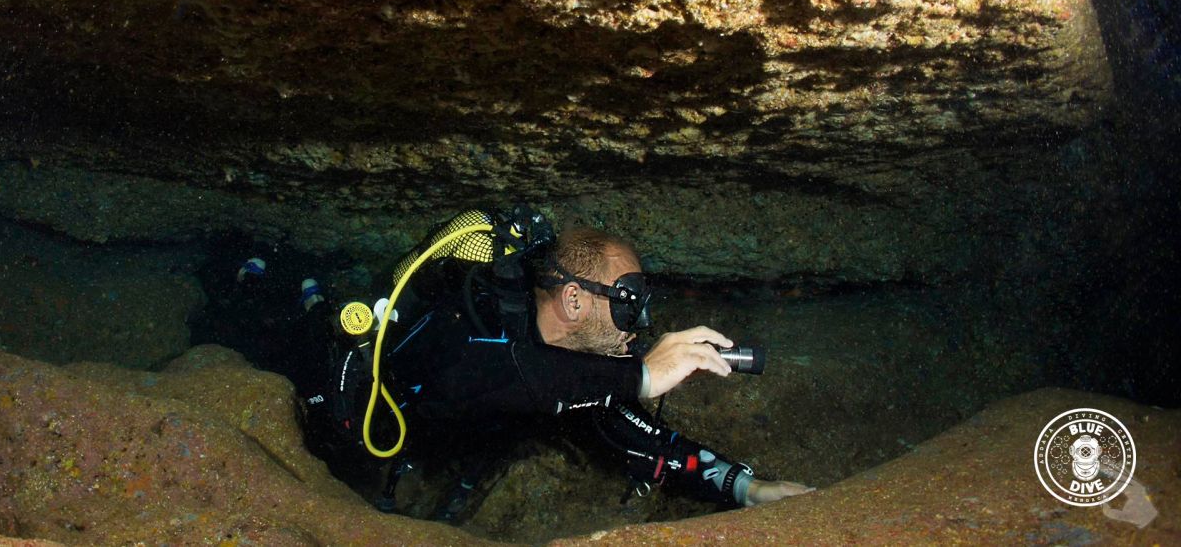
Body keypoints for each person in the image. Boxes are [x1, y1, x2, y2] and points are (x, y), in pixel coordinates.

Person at [232, 208, 813, 519]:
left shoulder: (580, 366)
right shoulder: (473, 328)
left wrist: (747, 488)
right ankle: (251, 270)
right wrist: (639, 375)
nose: (640, 324)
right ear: (574, 299)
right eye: (630, 302)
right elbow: (493, 379)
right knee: (258, 336)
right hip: (340, 407)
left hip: (432, 450)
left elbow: (640, 440)